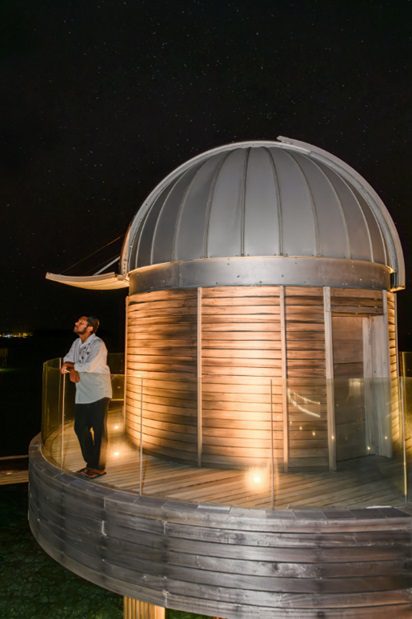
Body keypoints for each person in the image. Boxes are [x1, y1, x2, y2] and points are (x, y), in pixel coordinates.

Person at [60, 315, 112, 479]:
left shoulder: (98, 344)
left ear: (90, 328)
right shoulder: (76, 343)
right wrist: (70, 367)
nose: (76, 323)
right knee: (80, 427)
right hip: (82, 392)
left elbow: (91, 366)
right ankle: (91, 463)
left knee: (99, 430)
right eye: (77, 321)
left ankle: (98, 467)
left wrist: (71, 367)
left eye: (81, 322)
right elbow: (68, 359)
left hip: (99, 391)